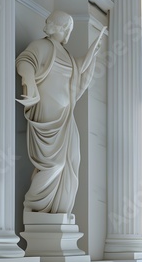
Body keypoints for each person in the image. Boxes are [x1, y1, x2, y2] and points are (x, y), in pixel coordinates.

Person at [15, 11, 106, 214]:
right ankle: (34, 205)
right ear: (62, 27)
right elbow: (25, 61)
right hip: (48, 115)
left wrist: (93, 51)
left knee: (72, 161)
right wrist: (28, 81)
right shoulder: (42, 46)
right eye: (69, 29)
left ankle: (59, 210)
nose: (69, 34)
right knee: (54, 164)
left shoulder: (65, 54)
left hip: (66, 117)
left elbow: (78, 68)